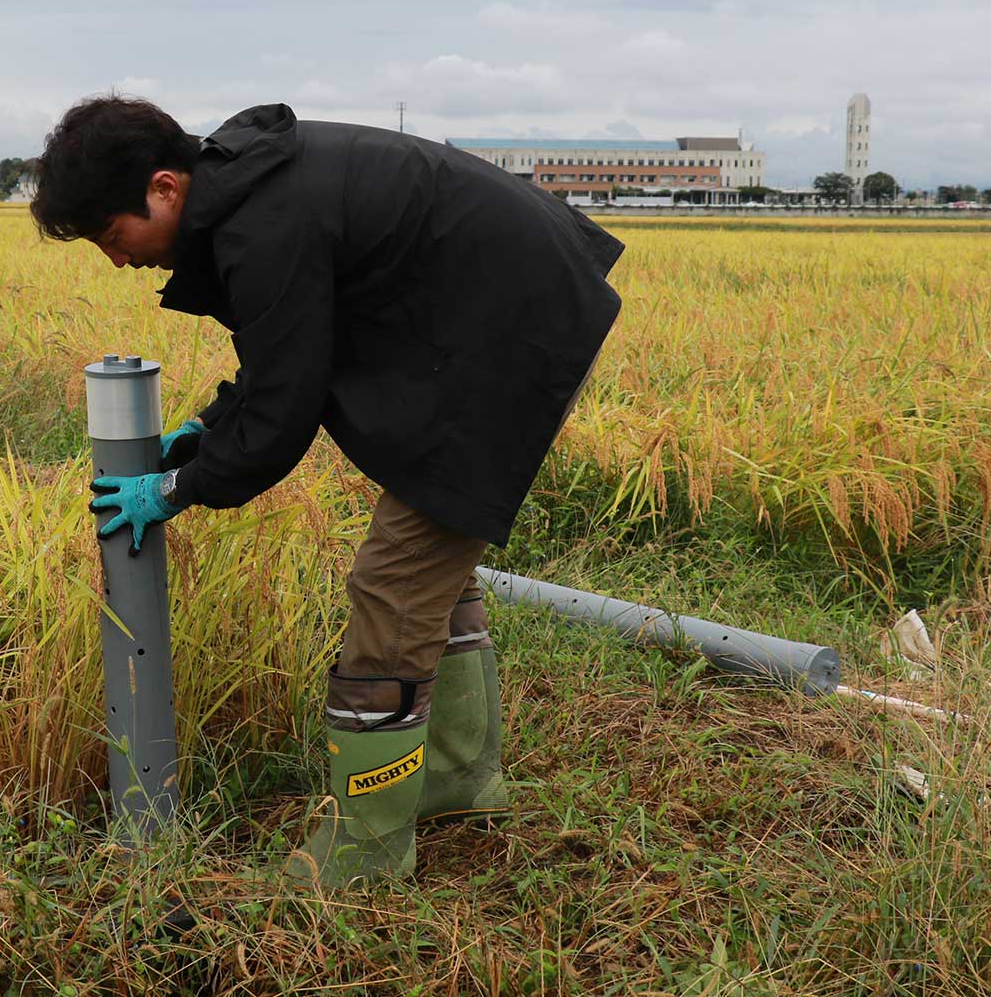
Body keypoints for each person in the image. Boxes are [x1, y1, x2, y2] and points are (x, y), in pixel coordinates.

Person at [32, 96, 623, 887]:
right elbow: (288, 352)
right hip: (496, 313)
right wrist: (212, 427)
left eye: (113, 237)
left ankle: (367, 847)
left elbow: (284, 415)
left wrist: (180, 485)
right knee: (423, 566)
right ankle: (457, 775)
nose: (118, 260)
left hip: (512, 330)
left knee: (394, 583)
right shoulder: (253, 195)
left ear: (166, 188)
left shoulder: (263, 224)